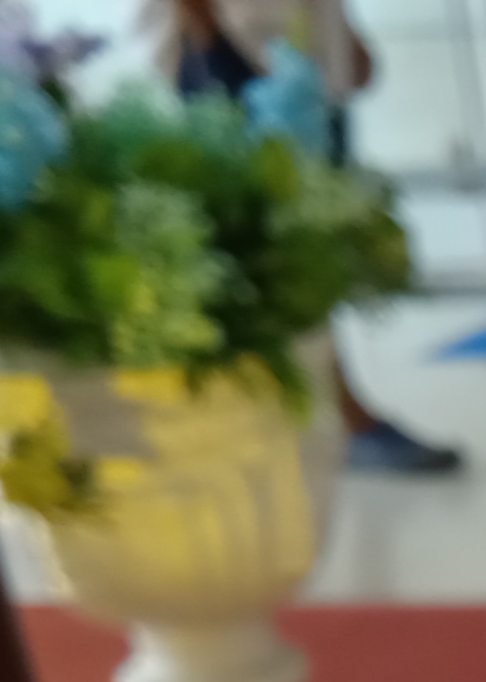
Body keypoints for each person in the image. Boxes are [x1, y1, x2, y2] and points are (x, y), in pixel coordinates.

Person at [139, 0, 465, 476]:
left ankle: (324, 416)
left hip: (301, 60)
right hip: (240, 55)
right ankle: (336, 418)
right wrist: (208, 38)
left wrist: (344, 35)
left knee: (315, 249)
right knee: (270, 258)